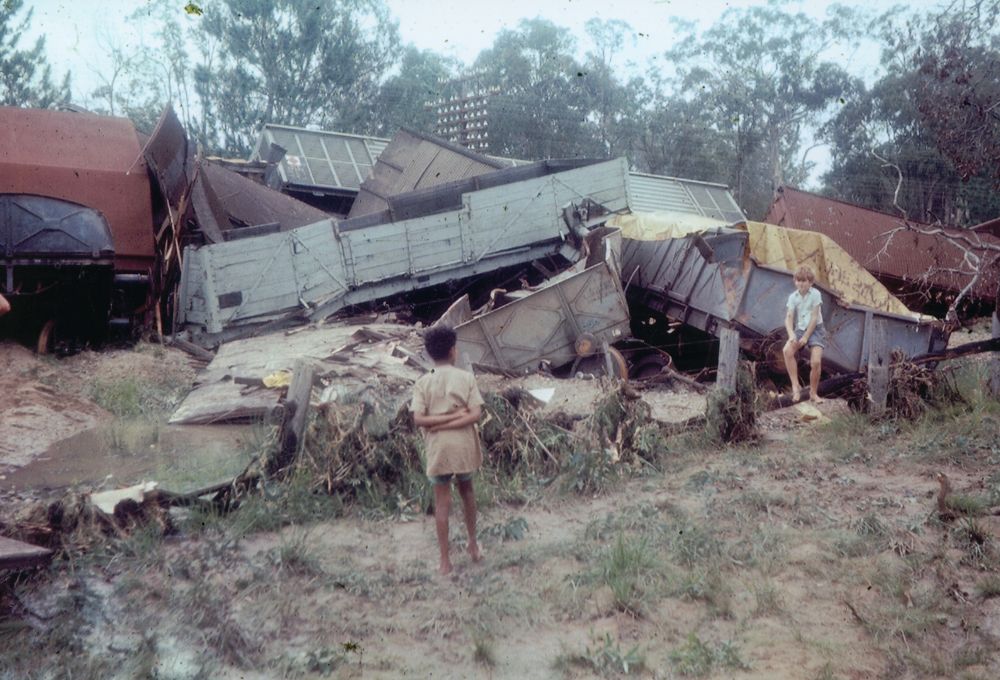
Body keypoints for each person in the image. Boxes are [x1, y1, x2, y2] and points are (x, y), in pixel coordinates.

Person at [410, 324, 484, 575]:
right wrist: (455, 418)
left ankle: (444, 560)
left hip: (438, 448)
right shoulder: (466, 378)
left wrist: (439, 422)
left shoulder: (423, 382)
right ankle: (473, 545)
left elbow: (419, 420)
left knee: (442, 502)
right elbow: (475, 414)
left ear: (429, 354)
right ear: (453, 351)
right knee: (467, 492)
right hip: (463, 446)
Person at [782, 266, 825, 403]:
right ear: (795, 281)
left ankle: (813, 393)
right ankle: (796, 386)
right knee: (787, 351)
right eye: (798, 280)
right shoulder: (793, 297)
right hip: (800, 328)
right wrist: (791, 335)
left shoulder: (816, 294)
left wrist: (806, 337)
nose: (801, 283)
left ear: (810, 282)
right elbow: (788, 318)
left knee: (816, 362)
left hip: (816, 329)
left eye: (804, 281)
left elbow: (814, 318)